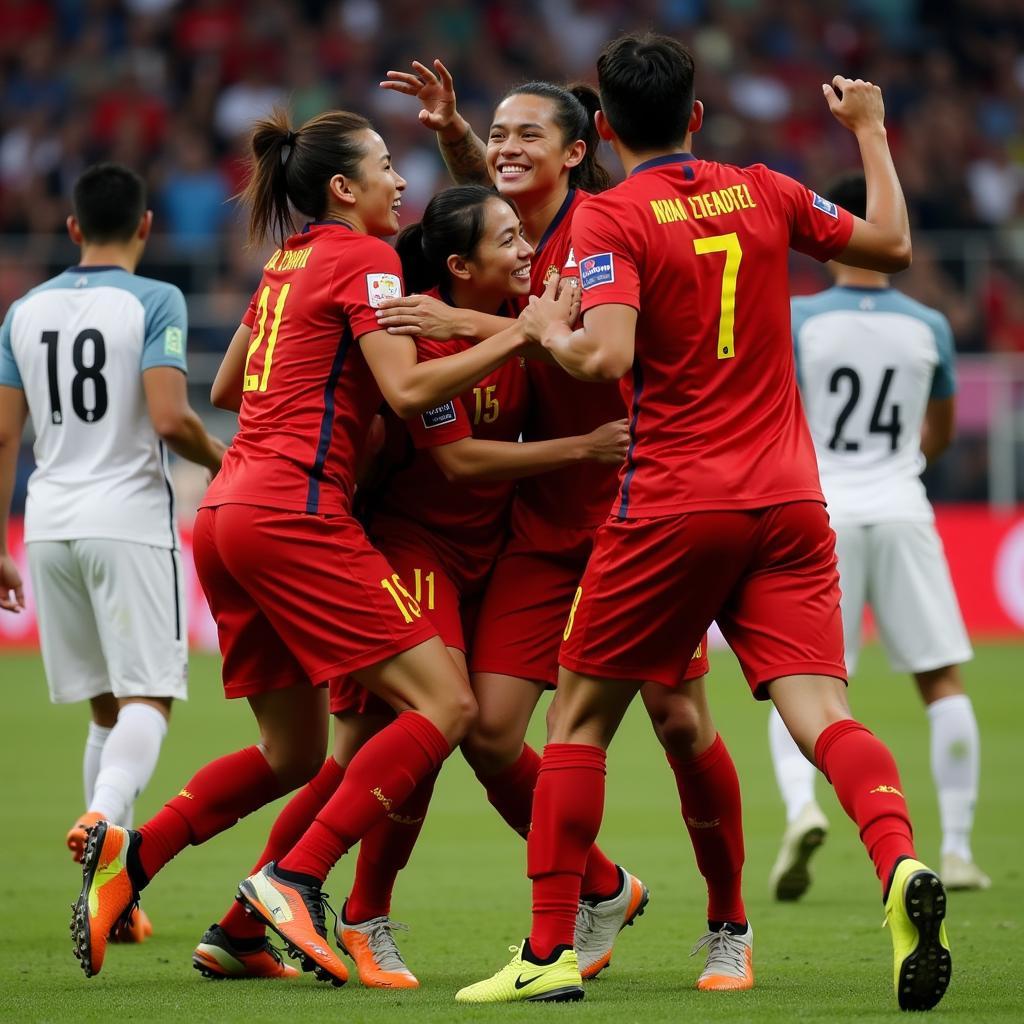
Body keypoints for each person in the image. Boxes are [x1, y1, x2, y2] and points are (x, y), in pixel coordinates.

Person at [456, 34, 951, 1013]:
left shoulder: (609, 216)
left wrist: (546, 332)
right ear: (695, 116)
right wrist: (871, 132)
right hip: (788, 500)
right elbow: (890, 246)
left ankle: (551, 948)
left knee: (577, 719)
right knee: (822, 717)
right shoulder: (763, 189)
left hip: (674, 503)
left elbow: (604, 358)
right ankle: (896, 862)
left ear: (598, 128)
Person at [69, 109, 534, 986]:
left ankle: (143, 858)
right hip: (295, 514)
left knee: (294, 753)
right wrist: (516, 332)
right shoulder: (366, 258)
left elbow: (227, 383)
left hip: (226, 512)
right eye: (387, 167)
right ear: (342, 190)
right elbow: (405, 391)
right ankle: (291, 878)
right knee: (447, 706)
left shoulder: (284, 263)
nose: (402, 182)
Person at [193, 183, 629, 986]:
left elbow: (570, 341)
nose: (527, 247)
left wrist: (497, 324)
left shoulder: (507, 314)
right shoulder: (404, 319)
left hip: (492, 556)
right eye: (508, 239)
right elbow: (456, 458)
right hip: (404, 547)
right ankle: (344, 908)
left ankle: (248, 919)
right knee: (415, 727)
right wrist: (575, 443)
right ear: (461, 263)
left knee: (468, 735)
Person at [378, 63, 749, 992]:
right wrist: (457, 133)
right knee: (492, 731)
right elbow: (493, 201)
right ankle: (599, 891)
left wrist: (467, 328)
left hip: (634, 508)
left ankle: (729, 925)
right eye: (496, 134)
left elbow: (586, 341)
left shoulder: (610, 226)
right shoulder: (522, 236)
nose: (505, 148)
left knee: (680, 721)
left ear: (579, 153)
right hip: (543, 529)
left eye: (527, 135)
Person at [0, 163, 225, 943]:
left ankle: (111, 895)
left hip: (50, 523)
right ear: (147, 226)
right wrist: (225, 458)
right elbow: (169, 417)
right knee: (149, 698)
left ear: (70, 230)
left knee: (104, 704)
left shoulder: (23, 311)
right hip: (127, 518)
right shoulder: (155, 299)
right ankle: (105, 819)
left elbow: (3, 432)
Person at [767, 171, 986, 901]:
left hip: (817, 510)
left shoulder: (799, 320)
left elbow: (776, 415)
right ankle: (955, 850)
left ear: (829, 232)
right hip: (901, 503)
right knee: (942, 679)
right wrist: (902, 464)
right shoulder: (928, 325)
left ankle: (802, 811)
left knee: (807, 686)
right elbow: (942, 432)